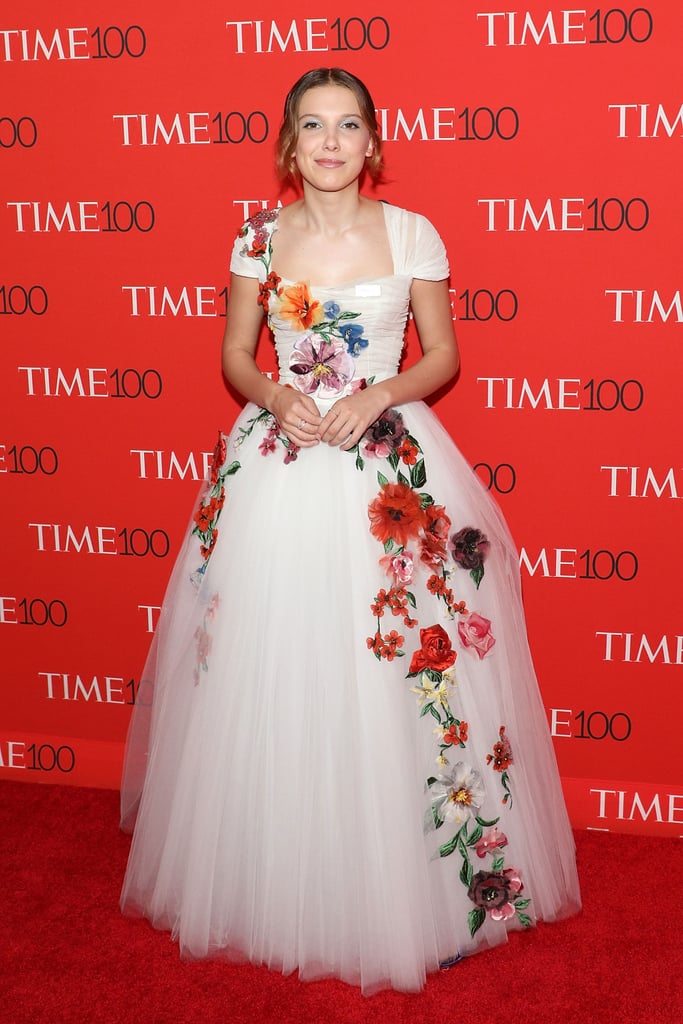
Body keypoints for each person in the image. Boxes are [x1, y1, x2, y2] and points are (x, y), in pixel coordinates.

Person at [120, 67, 581, 995]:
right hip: (279, 467)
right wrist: (275, 393)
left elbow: (443, 352)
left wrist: (378, 389)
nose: (330, 142)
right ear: (289, 145)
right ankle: (274, 875)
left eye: (348, 126)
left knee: (397, 665)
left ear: (372, 143)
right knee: (273, 665)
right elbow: (233, 356)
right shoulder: (257, 236)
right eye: (312, 126)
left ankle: (416, 887)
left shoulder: (412, 233)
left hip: (389, 471)